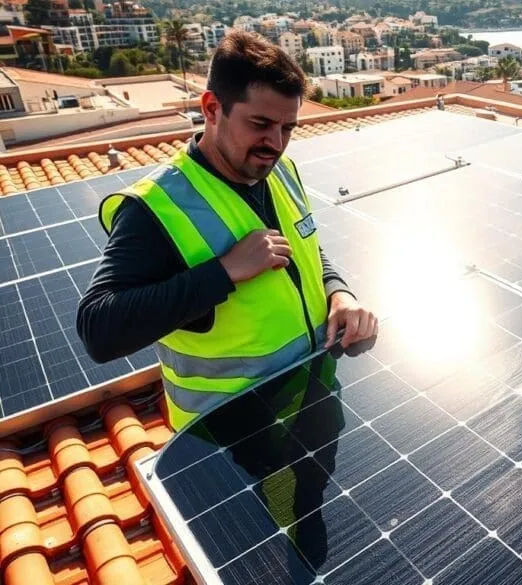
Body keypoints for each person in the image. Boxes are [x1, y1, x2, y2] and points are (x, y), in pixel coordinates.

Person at [77, 30, 378, 430]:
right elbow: (99, 330)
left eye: (287, 128)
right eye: (260, 123)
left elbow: (306, 251)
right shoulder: (155, 207)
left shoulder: (281, 172)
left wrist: (338, 292)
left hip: (308, 399)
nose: (275, 143)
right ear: (212, 108)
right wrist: (225, 271)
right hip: (225, 440)